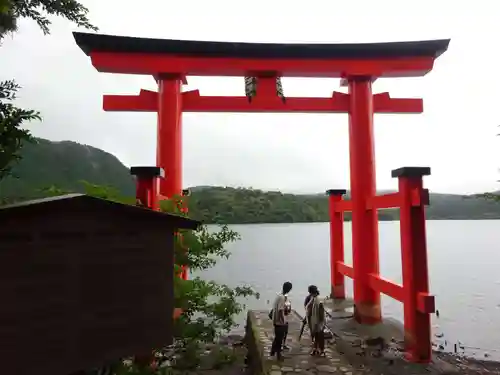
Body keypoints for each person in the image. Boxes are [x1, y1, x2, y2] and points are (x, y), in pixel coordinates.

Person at [270, 281, 293, 360]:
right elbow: (280, 310)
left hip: (277, 320)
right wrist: (283, 321)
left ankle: (273, 351)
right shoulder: (282, 298)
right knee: (279, 338)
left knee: (278, 337)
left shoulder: (280, 295)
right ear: (289, 289)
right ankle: (278, 355)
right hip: (279, 321)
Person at [309, 287, 326, 356]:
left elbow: (321, 311)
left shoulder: (318, 300)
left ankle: (322, 351)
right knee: (315, 336)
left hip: (319, 322)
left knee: (320, 337)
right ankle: (315, 349)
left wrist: (321, 322)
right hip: (315, 321)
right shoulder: (314, 299)